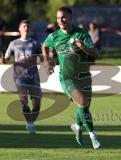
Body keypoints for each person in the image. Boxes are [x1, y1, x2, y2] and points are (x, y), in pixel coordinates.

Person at [42, 7, 101, 149]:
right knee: (82, 103)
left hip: (84, 76)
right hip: (67, 77)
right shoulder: (54, 36)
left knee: (85, 108)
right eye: (58, 18)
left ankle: (76, 126)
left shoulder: (82, 34)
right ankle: (93, 136)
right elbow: (44, 45)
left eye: (63, 17)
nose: (60, 20)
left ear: (70, 18)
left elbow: (95, 53)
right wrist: (46, 60)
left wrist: (83, 47)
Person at [0, 20, 42, 134]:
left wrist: (39, 61)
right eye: (24, 26)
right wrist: (3, 60)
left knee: (37, 105)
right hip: (20, 77)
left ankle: (31, 122)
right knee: (24, 101)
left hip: (33, 77)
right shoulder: (13, 43)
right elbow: (6, 58)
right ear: (19, 29)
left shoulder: (36, 44)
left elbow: (42, 59)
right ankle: (30, 124)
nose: (26, 27)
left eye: (28, 26)